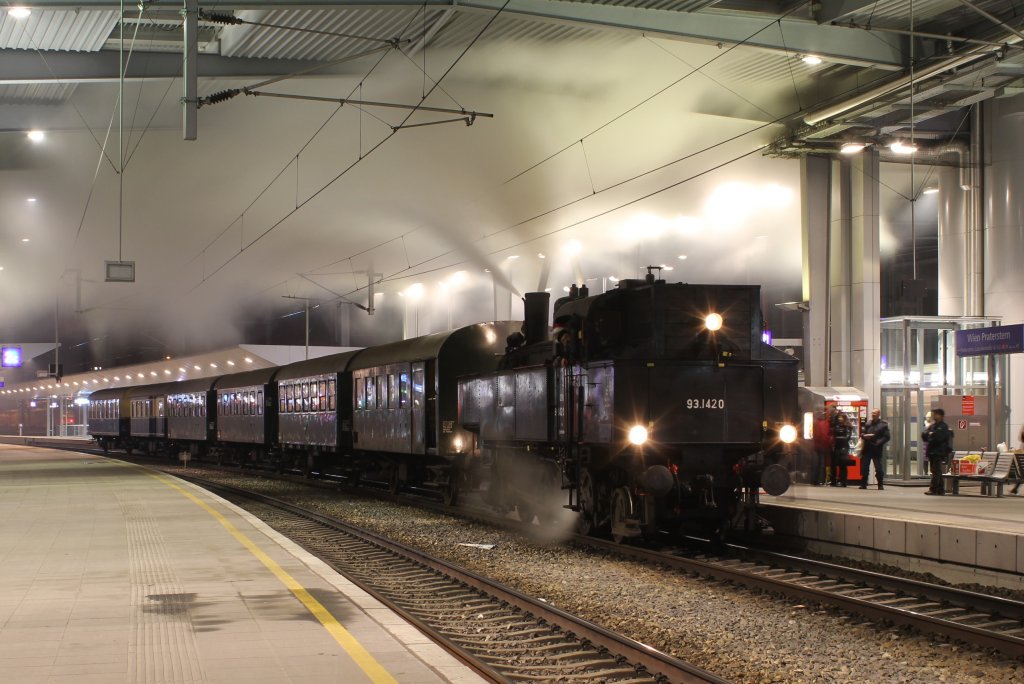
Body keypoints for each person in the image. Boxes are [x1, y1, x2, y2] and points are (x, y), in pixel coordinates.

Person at [922, 407, 952, 495]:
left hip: (938, 452)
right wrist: (930, 435)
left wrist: (931, 435)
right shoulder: (933, 426)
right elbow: (924, 436)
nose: (934, 416)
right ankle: (940, 489)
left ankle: (933, 489)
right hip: (932, 451)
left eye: (935, 414)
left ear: (941, 416)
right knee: (936, 470)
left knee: (936, 471)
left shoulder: (943, 426)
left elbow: (938, 438)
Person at [859, 408, 891, 490]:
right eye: (872, 413)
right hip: (867, 448)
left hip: (876, 449)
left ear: (878, 414)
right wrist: (864, 436)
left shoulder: (883, 425)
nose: (873, 414)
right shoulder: (868, 423)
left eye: (874, 413)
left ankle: (880, 484)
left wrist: (878, 442)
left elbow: (887, 437)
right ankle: (863, 484)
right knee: (865, 467)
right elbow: (862, 433)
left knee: (878, 468)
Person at [831, 412, 852, 487]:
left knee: (843, 464)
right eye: (839, 417)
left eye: (841, 417)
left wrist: (837, 438)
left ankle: (843, 481)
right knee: (834, 464)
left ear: (844, 418)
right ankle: (834, 480)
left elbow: (847, 437)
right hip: (837, 447)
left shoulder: (847, 427)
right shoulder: (836, 426)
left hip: (844, 447)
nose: (840, 419)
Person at [811, 409, 832, 486]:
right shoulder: (825, 423)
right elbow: (825, 436)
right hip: (823, 446)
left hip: (816, 446)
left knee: (817, 463)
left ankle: (815, 480)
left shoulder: (815, 423)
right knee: (822, 464)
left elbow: (815, 435)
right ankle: (821, 480)